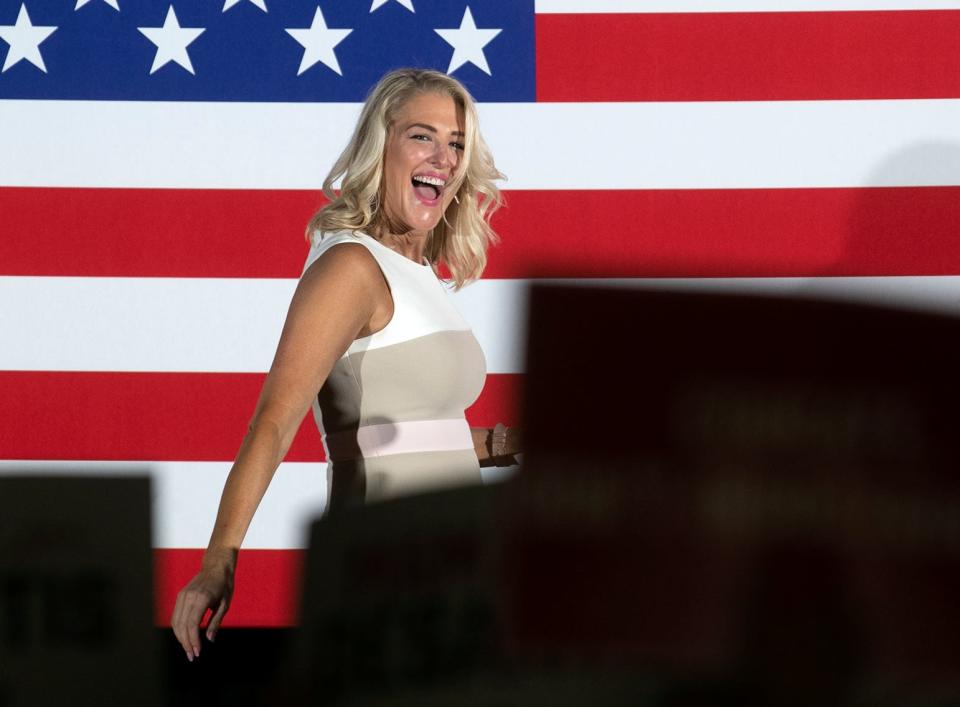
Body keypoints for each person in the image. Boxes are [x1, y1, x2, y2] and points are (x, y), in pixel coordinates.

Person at [170, 68, 521, 662]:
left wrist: (513, 442)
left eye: (456, 142)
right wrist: (217, 561)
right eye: (422, 136)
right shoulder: (351, 267)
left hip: (458, 565)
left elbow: (413, 432)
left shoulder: (419, 273)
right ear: (380, 144)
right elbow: (274, 423)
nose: (443, 156)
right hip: (386, 570)